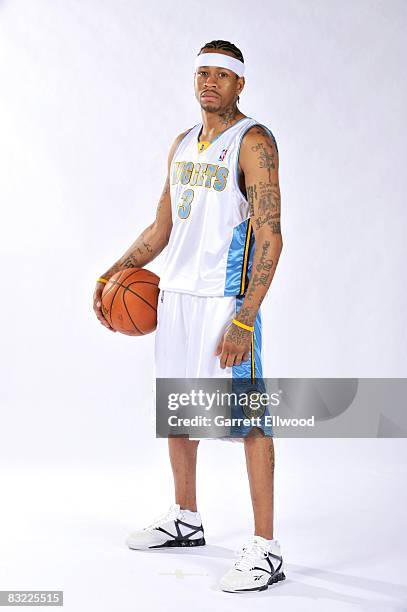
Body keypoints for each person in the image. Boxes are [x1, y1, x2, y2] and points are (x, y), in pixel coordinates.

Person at [93, 39, 284, 593]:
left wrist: (246, 314)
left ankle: (266, 548)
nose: (209, 81)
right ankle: (185, 518)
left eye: (221, 74)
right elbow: (161, 231)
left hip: (224, 302)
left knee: (250, 419)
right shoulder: (180, 145)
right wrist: (112, 272)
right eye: (202, 72)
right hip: (174, 298)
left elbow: (271, 235)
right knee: (179, 412)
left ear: (239, 83)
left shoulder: (253, 143)